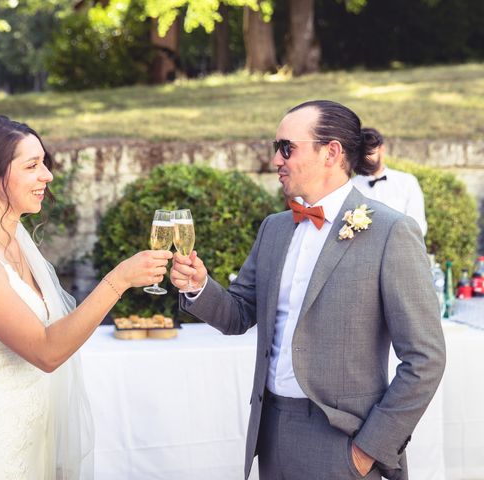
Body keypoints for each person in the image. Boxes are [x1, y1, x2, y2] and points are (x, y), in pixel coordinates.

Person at [170, 100, 445, 480]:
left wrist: (367, 450)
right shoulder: (274, 227)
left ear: (331, 152)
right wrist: (199, 286)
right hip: (270, 430)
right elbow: (238, 314)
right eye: (276, 148)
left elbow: (425, 359)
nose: (276, 160)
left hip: (342, 440)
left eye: (287, 147)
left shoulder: (391, 231)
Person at [0, 115, 172, 479]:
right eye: (32, 166)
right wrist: (119, 280)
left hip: (33, 438)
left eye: (44, 163)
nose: (47, 175)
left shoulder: (16, 241)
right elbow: (46, 351)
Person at [351, 127, 428, 235]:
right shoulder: (352, 186)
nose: (365, 158)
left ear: (382, 150)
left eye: (369, 153)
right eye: (361, 154)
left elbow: (418, 224)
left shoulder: (407, 182)